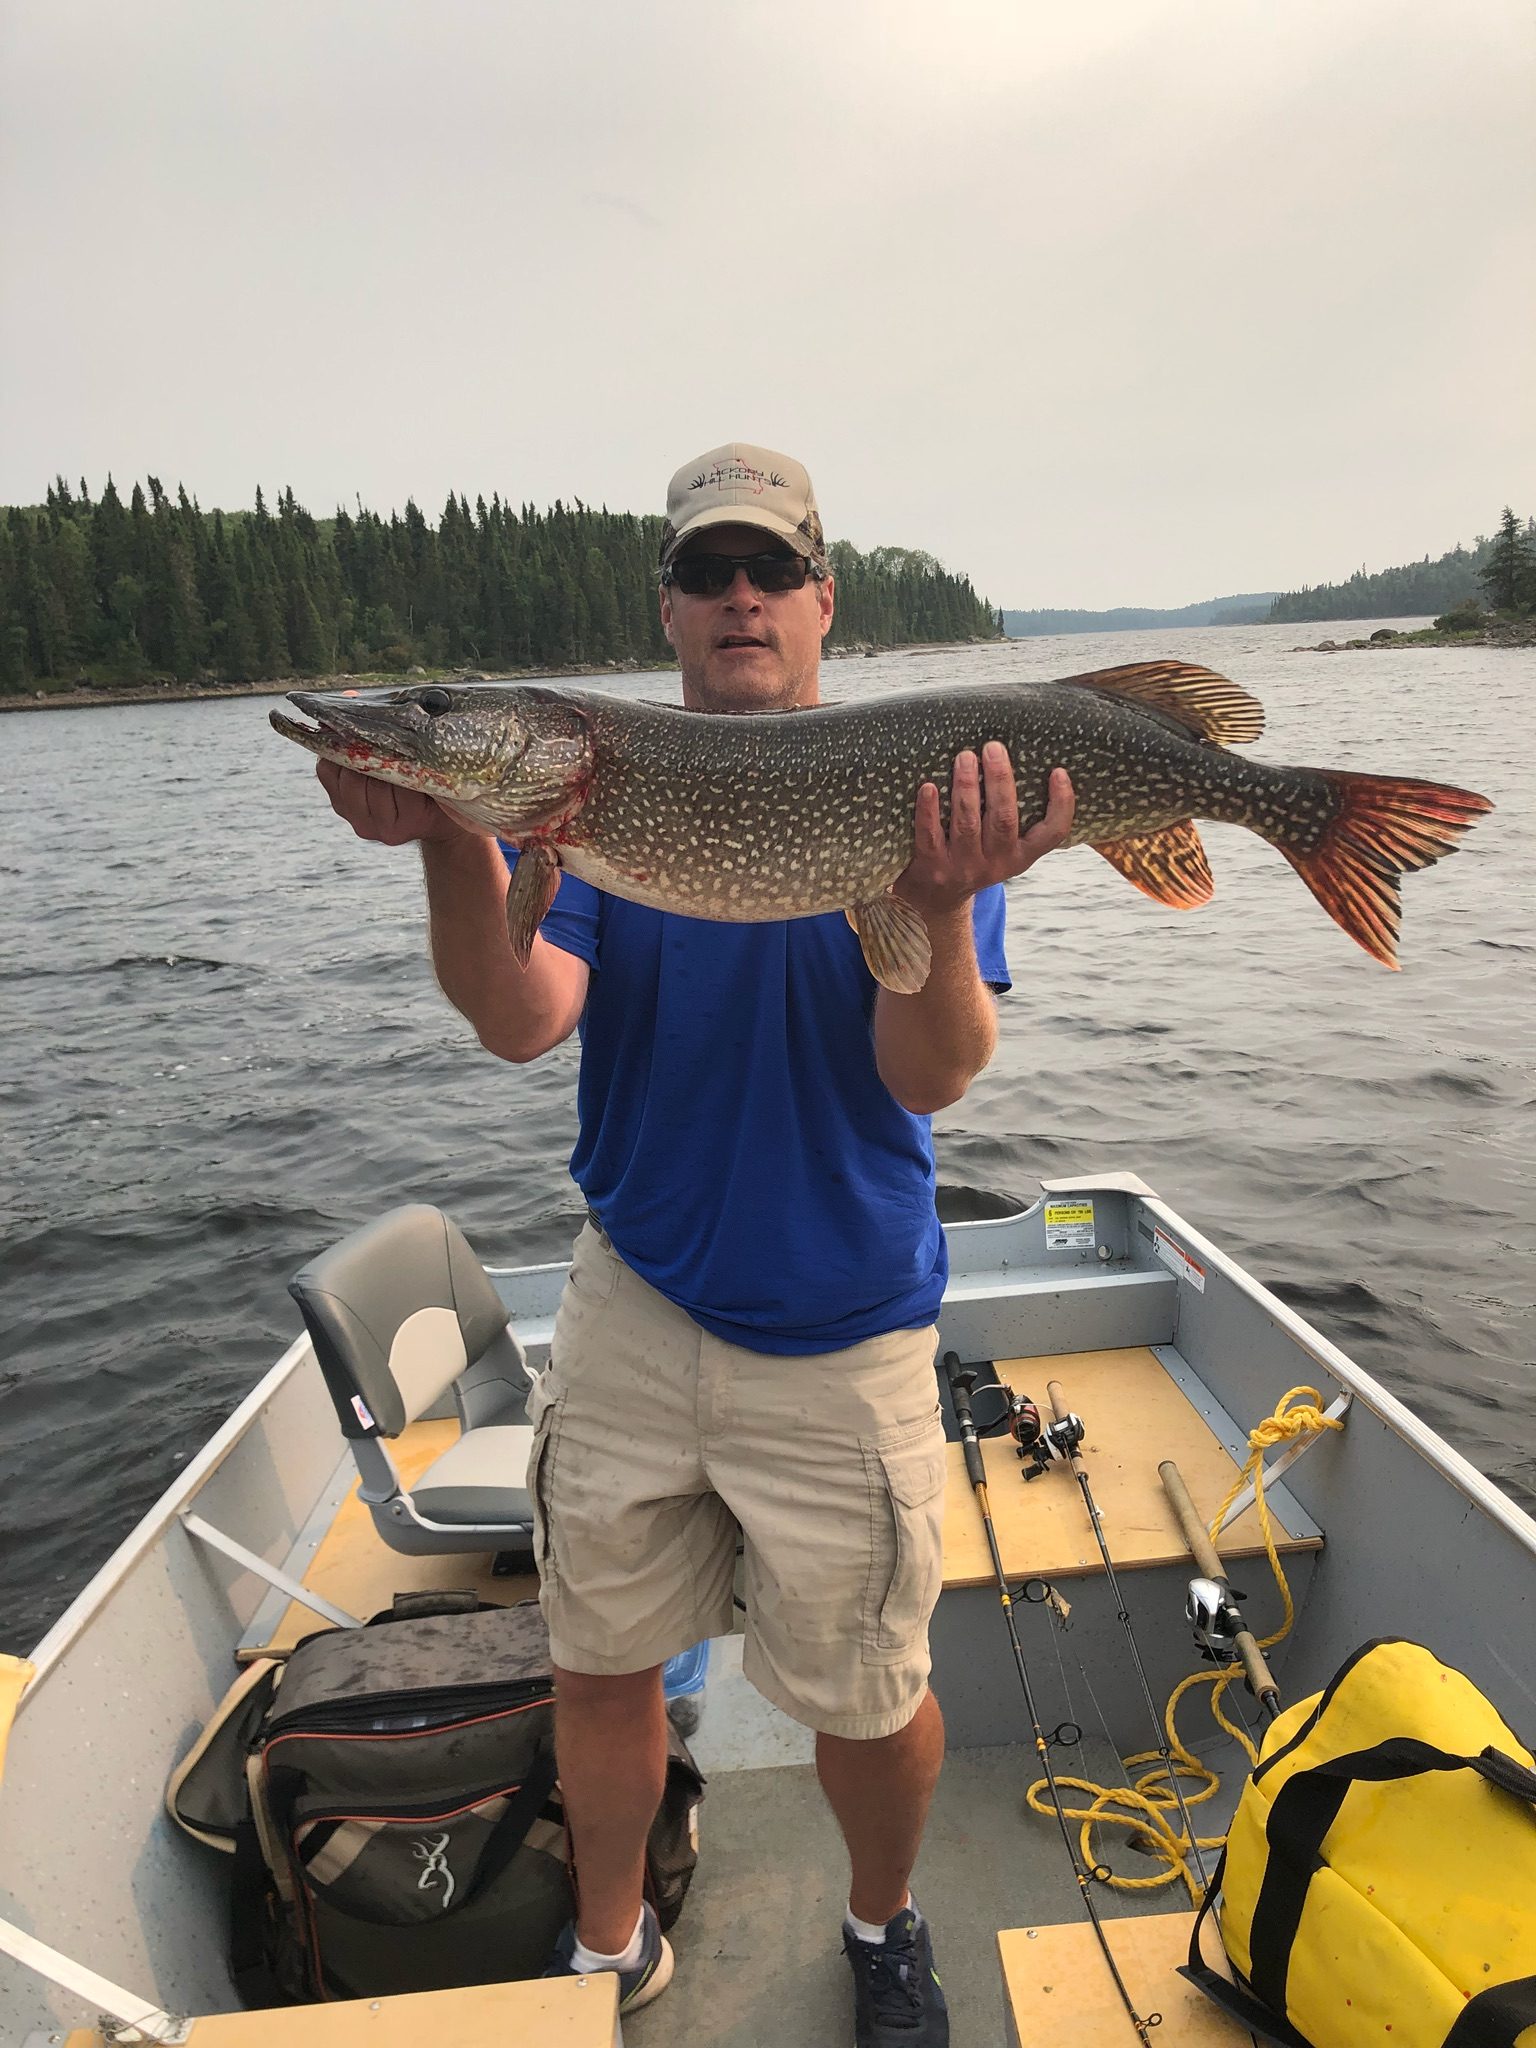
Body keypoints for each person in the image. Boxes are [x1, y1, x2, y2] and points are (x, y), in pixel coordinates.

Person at [316, 443, 1074, 2046]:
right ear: (666, 612)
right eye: (708, 574)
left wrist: (936, 909)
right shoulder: (590, 801)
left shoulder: (925, 794)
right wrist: (457, 831)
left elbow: (930, 1074)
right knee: (598, 1661)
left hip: (846, 1323)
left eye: (771, 572)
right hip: (635, 1307)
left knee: (872, 1694)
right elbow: (519, 1019)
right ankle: (610, 1949)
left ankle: (882, 1923)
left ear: (820, 607)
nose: (741, 598)